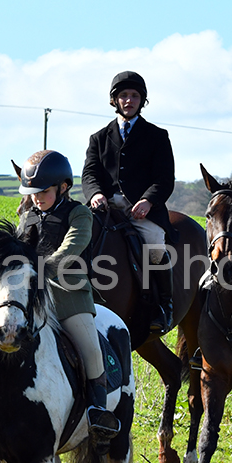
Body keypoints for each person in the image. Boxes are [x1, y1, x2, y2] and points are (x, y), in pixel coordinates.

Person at [0, 150, 121, 444]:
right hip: (31, 299)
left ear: (63, 187)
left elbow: (72, 247)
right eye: (32, 192)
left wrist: (42, 269)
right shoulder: (27, 216)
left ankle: (98, 413)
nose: (37, 197)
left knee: (91, 350)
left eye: (43, 191)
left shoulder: (79, 214)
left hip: (69, 297)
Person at [81, 71, 177, 333]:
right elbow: (89, 174)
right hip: (105, 207)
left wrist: (148, 201)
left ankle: (164, 306)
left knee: (154, 246)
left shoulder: (157, 135)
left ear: (142, 100)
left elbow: (164, 178)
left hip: (142, 211)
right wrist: (95, 194)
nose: (129, 100)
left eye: (134, 96)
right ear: (114, 100)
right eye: (123, 95)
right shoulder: (99, 137)